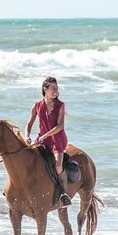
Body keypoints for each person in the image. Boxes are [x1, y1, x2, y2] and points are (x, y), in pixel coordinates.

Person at [25, 77, 72, 206]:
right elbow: (29, 124)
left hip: (57, 140)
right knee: (28, 158)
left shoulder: (60, 105)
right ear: (45, 89)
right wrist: (27, 136)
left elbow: (60, 126)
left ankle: (63, 193)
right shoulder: (36, 105)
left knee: (57, 165)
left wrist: (44, 136)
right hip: (42, 139)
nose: (56, 91)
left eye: (56, 88)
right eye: (53, 88)